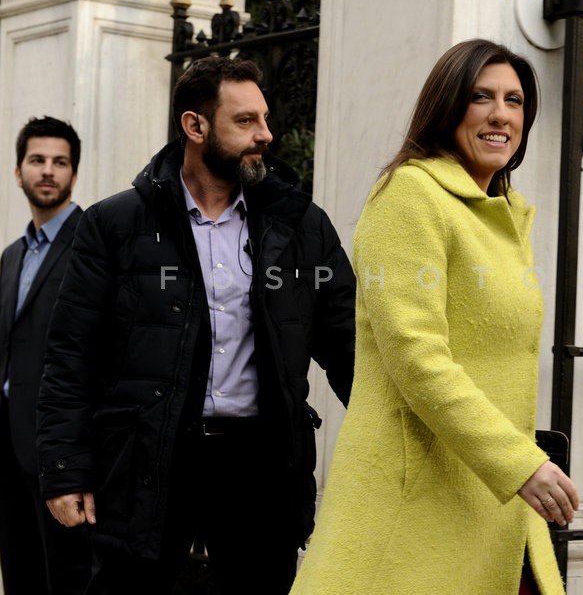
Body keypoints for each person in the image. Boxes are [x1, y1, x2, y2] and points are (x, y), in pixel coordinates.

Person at [36, 57, 356, 595]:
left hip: (260, 466)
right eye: (246, 122)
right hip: (148, 460)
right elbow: (71, 354)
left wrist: (395, 442)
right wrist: (65, 468)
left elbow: (348, 344)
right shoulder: (114, 225)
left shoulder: (299, 224)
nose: (266, 135)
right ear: (195, 126)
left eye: (265, 119)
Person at [290, 39, 579, 595]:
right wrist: (519, 461)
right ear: (447, 108)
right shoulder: (409, 197)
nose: (501, 114)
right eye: (481, 97)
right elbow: (417, 357)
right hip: (415, 499)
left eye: (515, 100)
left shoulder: (505, 212)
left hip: (484, 496)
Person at [0, 116, 92, 594]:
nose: (49, 171)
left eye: (60, 162)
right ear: (19, 172)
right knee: (20, 578)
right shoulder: (11, 255)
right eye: (37, 160)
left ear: (74, 174)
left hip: (61, 456)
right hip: (10, 451)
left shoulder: (92, 245)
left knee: (67, 582)